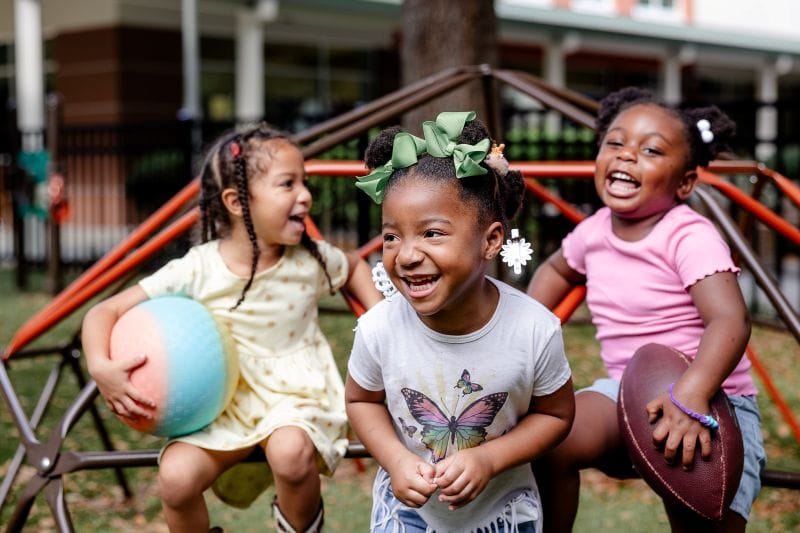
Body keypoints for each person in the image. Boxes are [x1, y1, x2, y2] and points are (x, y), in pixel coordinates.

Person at [82, 122, 383, 533]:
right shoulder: (198, 268)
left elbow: (353, 267)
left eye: (305, 182)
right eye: (287, 184)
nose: (306, 195)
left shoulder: (308, 260)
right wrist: (101, 366)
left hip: (294, 398)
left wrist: (382, 321)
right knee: (175, 478)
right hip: (220, 404)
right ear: (237, 202)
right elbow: (103, 312)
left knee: (291, 454)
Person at [526, 87, 766, 532]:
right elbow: (556, 271)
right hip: (624, 394)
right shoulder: (593, 232)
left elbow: (729, 318)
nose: (627, 155)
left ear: (685, 182)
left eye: (651, 149)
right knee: (549, 440)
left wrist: (692, 394)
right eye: (615, 143)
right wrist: (527, 327)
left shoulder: (687, 235)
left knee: (702, 510)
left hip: (713, 398)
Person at [346, 111, 575, 532]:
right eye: (392, 236)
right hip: (409, 515)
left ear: (490, 241)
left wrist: (489, 457)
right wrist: (397, 460)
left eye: (432, 233)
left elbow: (557, 416)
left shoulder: (534, 330)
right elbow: (362, 401)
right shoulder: (380, 328)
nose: (407, 254)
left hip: (503, 514)